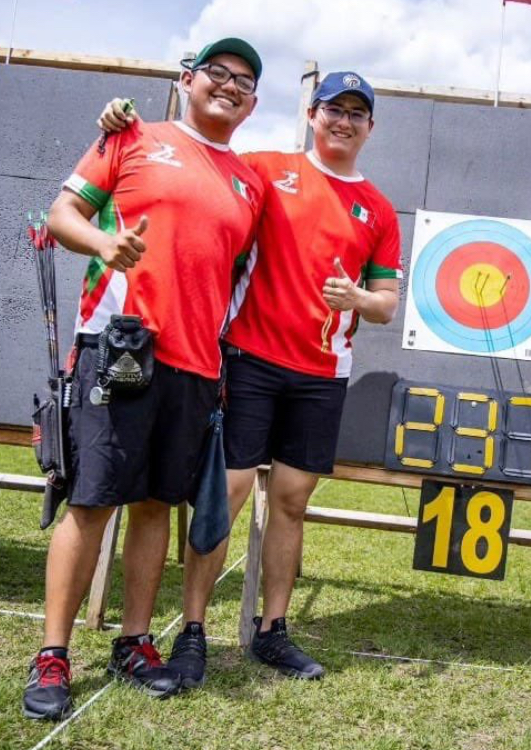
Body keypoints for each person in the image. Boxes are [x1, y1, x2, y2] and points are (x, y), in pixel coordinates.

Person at [95, 70, 401, 686]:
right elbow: (194, 162)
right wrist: (122, 128)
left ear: (371, 127)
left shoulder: (380, 209)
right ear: (311, 115)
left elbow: (387, 302)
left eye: (356, 113)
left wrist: (357, 299)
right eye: (332, 109)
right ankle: (192, 631)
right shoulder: (262, 169)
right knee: (224, 494)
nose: (343, 121)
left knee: (290, 502)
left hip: (322, 372)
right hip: (249, 359)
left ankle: (272, 632)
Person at [22, 38, 265, 721]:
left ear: (255, 102)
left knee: (157, 503)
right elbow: (64, 213)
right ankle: (54, 653)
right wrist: (104, 244)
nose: (230, 85)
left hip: (195, 365)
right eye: (217, 72)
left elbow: (240, 275)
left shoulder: (250, 184)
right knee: (93, 500)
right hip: (119, 346)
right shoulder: (131, 136)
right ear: (187, 80)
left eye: (245, 80)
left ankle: (134, 642)